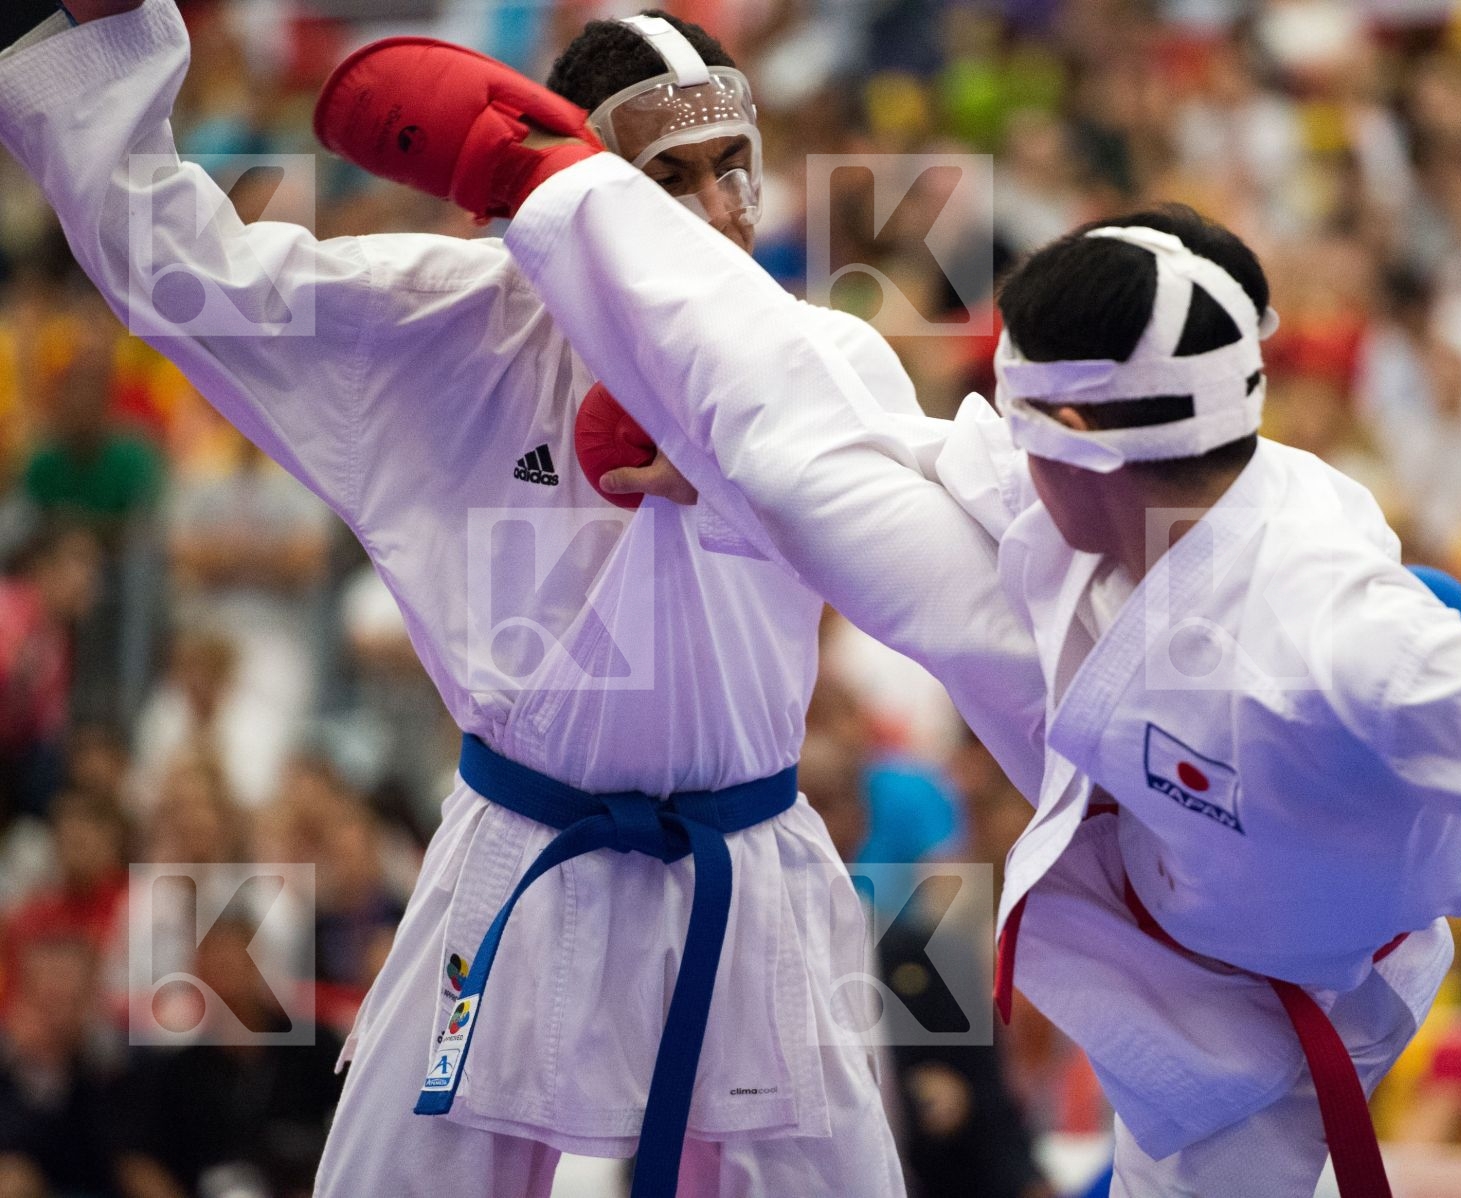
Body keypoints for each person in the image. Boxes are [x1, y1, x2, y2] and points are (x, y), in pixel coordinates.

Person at [338, 100, 1461, 1194]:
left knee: (818, 473)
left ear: (1081, 439)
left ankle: (592, 219)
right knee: (807, 463)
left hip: (1285, 1006)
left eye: (1024, 426)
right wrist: (712, 489)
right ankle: (564, 185)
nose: (1003, 449)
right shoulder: (1091, 503)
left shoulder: (1355, 647)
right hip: (1108, 760)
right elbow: (909, 451)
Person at [0, 5, 1047, 1197]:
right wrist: (97, 41)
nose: (715, 213)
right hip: (517, 851)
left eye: (732, 169)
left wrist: (729, 484)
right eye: (669, 177)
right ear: (576, 190)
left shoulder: (820, 360)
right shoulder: (440, 326)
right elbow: (188, 275)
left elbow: (942, 558)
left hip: (747, 867)